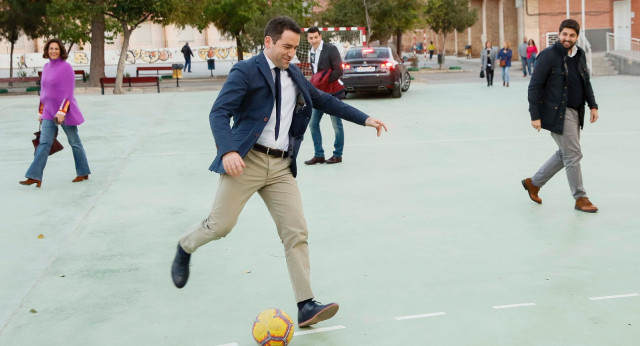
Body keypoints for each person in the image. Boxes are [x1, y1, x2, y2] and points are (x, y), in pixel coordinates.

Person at [170, 16, 388, 328]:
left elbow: (324, 100)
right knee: (220, 226)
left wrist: (365, 119)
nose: (292, 53)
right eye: (287, 46)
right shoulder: (246, 71)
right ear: (269, 42)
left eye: (295, 48)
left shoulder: (296, 74)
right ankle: (185, 245)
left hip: (282, 167)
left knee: (296, 232)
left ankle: (305, 305)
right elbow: (219, 112)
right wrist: (229, 149)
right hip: (247, 161)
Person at [522, 19, 599, 213]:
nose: (568, 38)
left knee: (564, 153)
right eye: (565, 34)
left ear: (576, 37)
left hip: (576, 111)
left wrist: (593, 105)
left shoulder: (580, 55)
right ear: (559, 34)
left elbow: (586, 83)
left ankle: (534, 183)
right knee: (573, 155)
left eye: (572, 35)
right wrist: (535, 116)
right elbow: (534, 86)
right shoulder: (548, 56)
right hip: (558, 113)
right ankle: (580, 198)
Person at [20, 38, 91, 188]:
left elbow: (69, 93)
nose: (53, 51)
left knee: (74, 142)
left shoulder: (66, 68)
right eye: (51, 48)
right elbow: (44, 92)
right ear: (47, 51)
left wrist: (61, 112)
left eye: (56, 49)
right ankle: (34, 176)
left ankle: (83, 171)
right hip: (48, 111)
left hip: (64, 112)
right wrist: (40, 111)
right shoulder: (46, 67)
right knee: (44, 142)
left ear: (61, 51)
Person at [304, 26, 345, 165]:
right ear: (307, 39)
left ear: (320, 36)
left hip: (332, 93)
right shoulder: (311, 51)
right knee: (313, 124)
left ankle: (337, 155)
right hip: (319, 94)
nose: (313, 40)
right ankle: (319, 155)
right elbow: (316, 71)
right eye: (311, 38)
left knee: (336, 125)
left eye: (316, 37)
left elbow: (339, 71)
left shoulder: (331, 49)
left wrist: (323, 81)